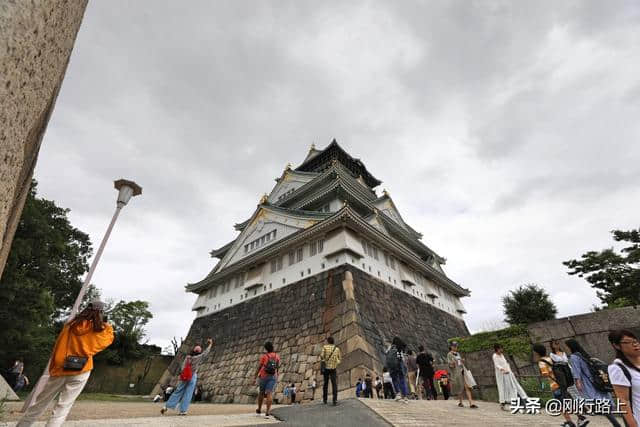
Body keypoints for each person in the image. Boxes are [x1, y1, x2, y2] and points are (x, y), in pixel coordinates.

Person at [17, 301, 114, 427]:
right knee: (63, 407)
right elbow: (108, 339)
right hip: (82, 370)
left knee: (40, 404)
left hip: (61, 368)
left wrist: (54, 366)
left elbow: (58, 346)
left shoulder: (71, 325)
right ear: (101, 313)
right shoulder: (99, 330)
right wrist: (106, 325)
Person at [565, 339, 621, 427]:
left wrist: (578, 382)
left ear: (570, 347)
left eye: (567, 346)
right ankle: (615, 420)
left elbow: (576, 371)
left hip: (588, 384)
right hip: (596, 382)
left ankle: (616, 423)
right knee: (603, 402)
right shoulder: (583, 354)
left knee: (599, 403)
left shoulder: (574, 357)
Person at [533, 343, 587, 427]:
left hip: (555, 385)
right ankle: (580, 418)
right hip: (562, 383)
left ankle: (570, 422)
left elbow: (545, 374)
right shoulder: (550, 358)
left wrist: (542, 383)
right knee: (568, 403)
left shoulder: (541, 362)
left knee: (561, 406)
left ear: (536, 353)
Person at [161, 337, 213, 416]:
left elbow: (182, 367)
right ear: (199, 352)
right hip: (192, 376)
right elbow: (205, 353)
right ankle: (183, 411)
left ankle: (167, 406)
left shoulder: (188, 358)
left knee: (178, 391)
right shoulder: (198, 358)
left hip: (185, 376)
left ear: (193, 350)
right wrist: (210, 344)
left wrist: (183, 374)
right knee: (188, 393)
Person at [608, 330, 640, 427]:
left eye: (635, 341)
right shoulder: (618, 368)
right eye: (628, 342)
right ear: (617, 346)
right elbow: (623, 401)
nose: (635, 344)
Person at [492, 343, 527, 411]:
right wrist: (502, 369)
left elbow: (506, 363)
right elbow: (497, 365)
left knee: (514, 386)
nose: (502, 350)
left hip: (508, 373)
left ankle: (519, 402)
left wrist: (510, 371)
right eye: (500, 348)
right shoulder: (495, 356)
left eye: (502, 348)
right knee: (503, 388)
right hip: (501, 374)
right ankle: (503, 403)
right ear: (497, 349)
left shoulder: (502, 355)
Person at [447, 341, 477, 408]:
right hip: (457, 373)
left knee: (467, 386)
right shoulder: (449, 354)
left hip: (463, 371)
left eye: (456, 346)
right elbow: (450, 364)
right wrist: (453, 363)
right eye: (454, 346)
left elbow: (459, 362)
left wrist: (461, 361)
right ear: (451, 347)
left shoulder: (458, 353)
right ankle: (460, 402)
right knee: (460, 388)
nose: (456, 347)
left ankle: (471, 403)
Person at [254, 341, 280, 417]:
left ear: (266, 348)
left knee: (261, 393)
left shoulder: (264, 356)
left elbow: (259, 367)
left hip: (264, 376)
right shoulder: (277, 356)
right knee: (269, 393)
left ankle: (259, 409)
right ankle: (268, 411)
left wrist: (255, 375)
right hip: (273, 376)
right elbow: (277, 367)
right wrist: (276, 374)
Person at [386, 337, 409, 403]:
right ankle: (405, 396)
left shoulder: (390, 347)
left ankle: (398, 393)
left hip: (393, 366)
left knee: (394, 379)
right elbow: (403, 357)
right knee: (402, 379)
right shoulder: (401, 348)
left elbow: (387, 356)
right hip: (400, 364)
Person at [320, 336, 341, 406]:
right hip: (333, 369)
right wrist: (335, 362)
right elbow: (339, 359)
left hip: (326, 368)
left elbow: (322, 356)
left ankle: (325, 399)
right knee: (334, 384)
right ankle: (334, 400)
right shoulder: (337, 349)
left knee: (325, 384)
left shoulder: (325, 347)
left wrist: (324, 360)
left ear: (328, 341)